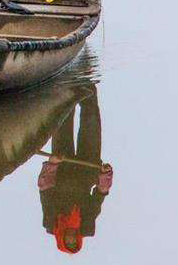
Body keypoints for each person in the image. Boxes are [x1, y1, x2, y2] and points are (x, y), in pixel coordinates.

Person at [37, 89, 113, 255]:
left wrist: (52, 164)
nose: (71, 237)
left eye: (67, 240)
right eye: (74, 241)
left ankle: (67, 87)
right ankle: (88, 87)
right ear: (78, 239)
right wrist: (105, 175)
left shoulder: (51, 222)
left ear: (61, 238)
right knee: (91, 121)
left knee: (62, 121)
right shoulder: (86, 224)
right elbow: (100, 194)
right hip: (87, 169)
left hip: (61, 166)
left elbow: (45, 189)